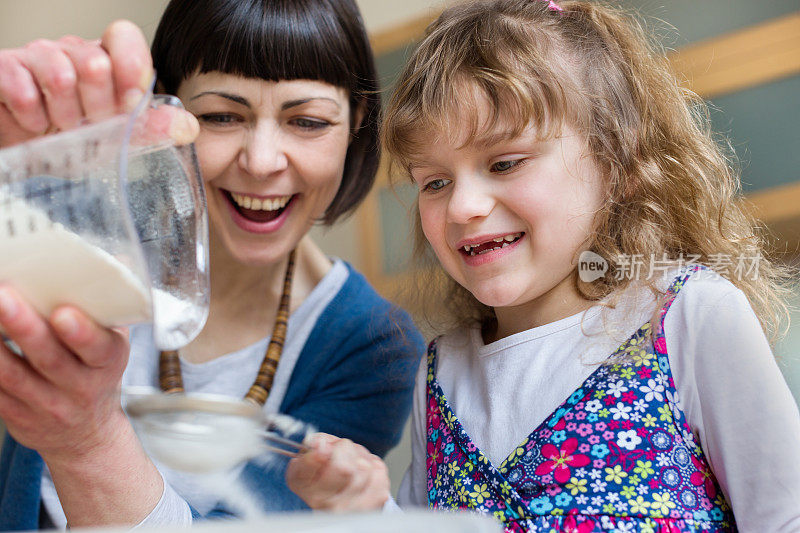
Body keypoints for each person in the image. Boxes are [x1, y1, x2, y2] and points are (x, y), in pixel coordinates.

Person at [285, 0, 800, 530]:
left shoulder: (689, 316)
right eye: (434, 182)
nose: (463, 207)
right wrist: (361, 507)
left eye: (504, 163)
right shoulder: (437, 374)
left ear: (616, 162)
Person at [0, 0, 424, 529]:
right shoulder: (81, 223)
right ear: (167, 113)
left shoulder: (373, 345)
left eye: (308, 121)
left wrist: (88, 440)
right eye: (222, 116)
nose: (262, 161)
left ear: (357, 125)